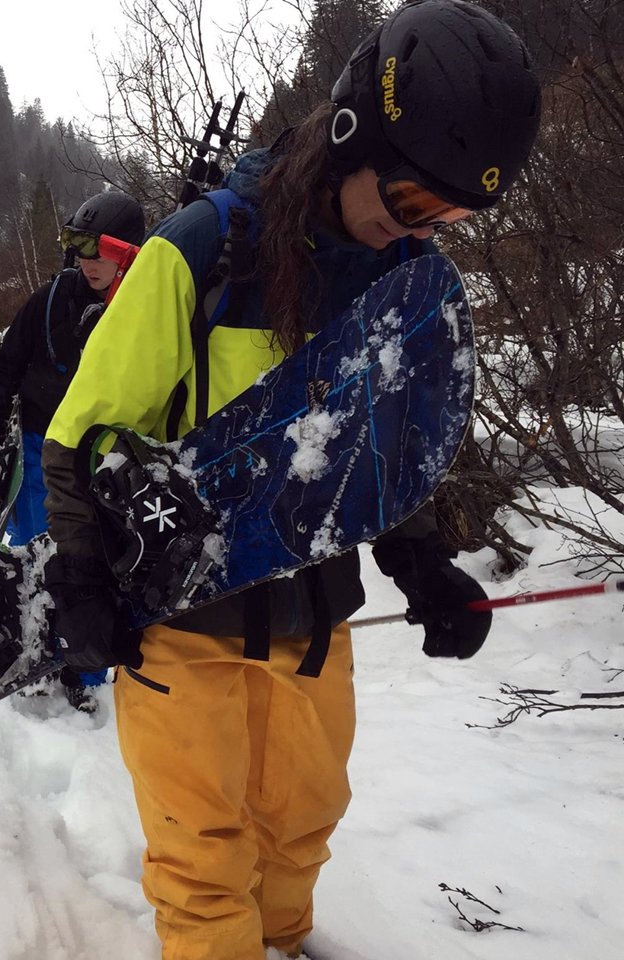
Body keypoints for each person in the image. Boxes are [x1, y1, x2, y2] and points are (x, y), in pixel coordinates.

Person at [39, 2, 541, 957]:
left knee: (303, 829)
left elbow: (381, 456)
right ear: (352, 137)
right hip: (181, 623)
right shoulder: (202, 250)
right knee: (203, 857)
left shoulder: (397, 284)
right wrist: (79, 573)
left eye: (451, 219)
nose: (418, 233)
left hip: (315, 625)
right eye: (412, 204)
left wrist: (424, 564)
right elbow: (78, 432)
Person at [0, 189, 147, 712]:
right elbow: (4, 366)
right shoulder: (50, 301)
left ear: (131, 252)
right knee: (39, 547)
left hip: (105, 458)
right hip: (39, 446)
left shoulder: (148, 305)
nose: (86, 262)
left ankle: (87, 663)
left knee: (94, 555)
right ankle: (38, 645)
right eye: (79, 248)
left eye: (100, 251)